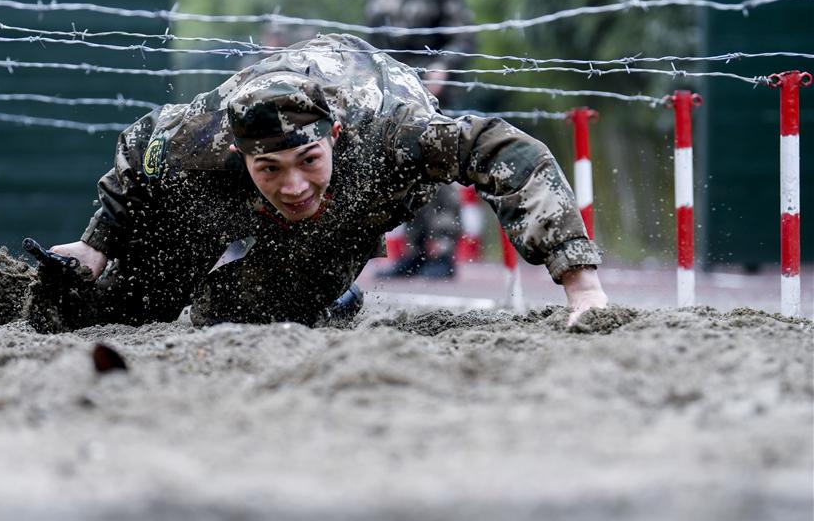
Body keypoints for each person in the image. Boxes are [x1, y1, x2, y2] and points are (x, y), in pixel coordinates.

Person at [42, 34, 607, 332]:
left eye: (307, 160)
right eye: (271, 169)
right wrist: (94, 247)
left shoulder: (396, 134)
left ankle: (333, 290)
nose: (293, 186)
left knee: (229, 311)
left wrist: (581, 286)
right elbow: (139, 146)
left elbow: (510, 152)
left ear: (332, 135)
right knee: (122, 306)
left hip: (363, 186)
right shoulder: (202, 138)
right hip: (236, 170)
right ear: (241, 156)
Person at [364, 0, 478, 278]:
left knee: (438, 168)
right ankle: (412, 250)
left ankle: (443, 250)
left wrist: (443, 66)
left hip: (433, 94)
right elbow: (372, 44)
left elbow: (464, 35)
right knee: (400, 170)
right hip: (392, 96)